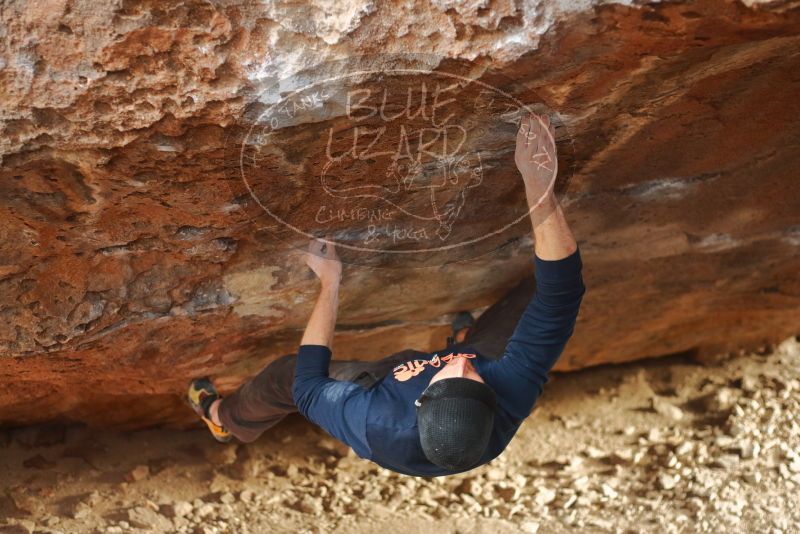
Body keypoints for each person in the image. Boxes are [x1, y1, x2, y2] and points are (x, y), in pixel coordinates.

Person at [188, 112, 585, 476]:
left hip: (382, 383)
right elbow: (561, 291)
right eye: (475, 377)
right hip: (491, 366)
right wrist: (538, 186)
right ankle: (469, 340)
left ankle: (223, 417)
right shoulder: (510, 385)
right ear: (492, 401)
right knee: (538, 292)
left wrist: (331, 282)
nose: (463, 368)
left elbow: (308, 385)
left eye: (451, 374)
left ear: (420, 399)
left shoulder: (374, 418)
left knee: (284, 375)